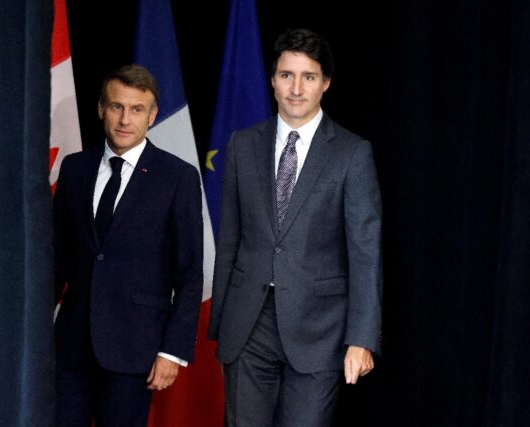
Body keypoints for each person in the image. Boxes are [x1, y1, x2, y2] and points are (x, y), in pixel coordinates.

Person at [208, 28, 382, 426]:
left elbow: (365, 251)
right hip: (248, 324)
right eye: (287, 75)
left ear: (326, 84)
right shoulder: (242, 144)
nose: (297, 88)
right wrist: (222, 325)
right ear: (273, 81)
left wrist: (362, 338)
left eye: (309, 77)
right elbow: (230, 240)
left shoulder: (353, 154)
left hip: (319, 328)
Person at [53, 64, 203, 426]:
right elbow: (56, 257)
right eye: (117, 106)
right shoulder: (75, 169)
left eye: (137, 109)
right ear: (101, 109)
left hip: (136, 348)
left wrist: (172, 351)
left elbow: (189, 274)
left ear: (152, 116)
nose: (125, 119)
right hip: (71, 346)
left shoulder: (177, 177)